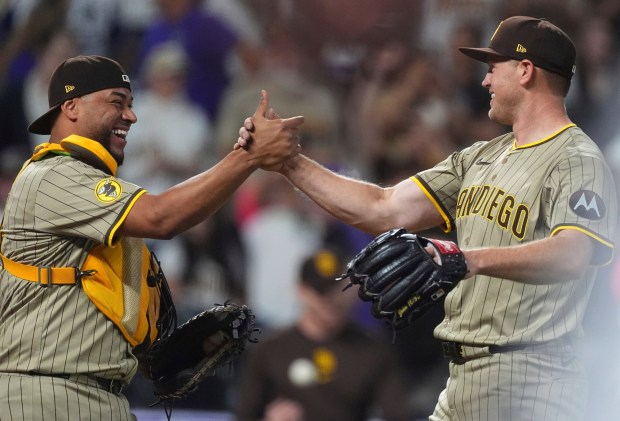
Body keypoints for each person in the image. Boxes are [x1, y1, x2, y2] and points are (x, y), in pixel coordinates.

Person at [238, 16, 618, 420]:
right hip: (462, 376)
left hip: (531, 377)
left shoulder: (577, 159)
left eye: (493, 69)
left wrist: (468, 258)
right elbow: (382, 207)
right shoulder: (480, 156)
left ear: (525, 71)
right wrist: (289, 162)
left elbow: (575, 253)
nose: (485, 82)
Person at [0, 55, 303, 420]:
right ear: (71, 106)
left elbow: (94, 305)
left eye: (131, 104)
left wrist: (160, 355)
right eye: (116, 102)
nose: (131, 115)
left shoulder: (101, 208)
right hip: (42, 396)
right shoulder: (50, 176)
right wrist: (248, 156)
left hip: (99, 398)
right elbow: (162, 218)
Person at [235, 247, 411, 421]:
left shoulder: (372, 350)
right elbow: (245, 415)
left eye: (339, 289)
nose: (331, 299)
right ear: (301, 291)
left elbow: (397, 415)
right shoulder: (270, 350)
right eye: (321, 291)